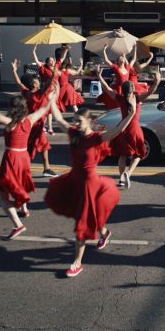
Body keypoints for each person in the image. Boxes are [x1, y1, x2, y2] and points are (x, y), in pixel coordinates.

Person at [43, 106, 135, 278]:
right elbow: (59, 119)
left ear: (89, 121)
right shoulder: (74, 134)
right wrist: (52, 100)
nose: (76, 124)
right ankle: (104, 233)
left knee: (83, 223)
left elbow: (118, 130)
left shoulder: (96, 138)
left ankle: (77, 263)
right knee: (90, 216)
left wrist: (131, 114)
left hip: (89, 185)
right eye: (75, 121)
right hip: (74, 182)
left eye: (79, 121)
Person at [0, 88, 57, 240]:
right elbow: (44, 109)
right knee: (20, 183)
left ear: (12, 108)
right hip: (24, 157)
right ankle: (24, 210)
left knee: (1, 194)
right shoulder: (30, 120)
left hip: (12, 157)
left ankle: (18, 225)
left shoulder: (10, 123)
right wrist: (52, 98)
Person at [96, 67, 161, 188]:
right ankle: (128, 173)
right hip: (134, 129)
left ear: (123, 90)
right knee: (139, 154)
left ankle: (121, 179)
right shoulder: (136, 99)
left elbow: (107, 88)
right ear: (132, 90)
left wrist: (99, 76)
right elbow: (151, 91)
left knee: (123, 154)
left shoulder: (120, 99)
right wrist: (157, 81)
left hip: (122, 127)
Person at [11, 59, 59, 177]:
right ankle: (19, 169)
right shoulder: (39, 93)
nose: (38, 80)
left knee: (43, 146)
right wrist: (53, 73)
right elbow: (48, 83)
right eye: (36, 79)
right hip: (35, 126)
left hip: (31, 124)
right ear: (34, 84)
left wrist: (14, 71)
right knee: (29, 148)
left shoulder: (26, 92)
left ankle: (46, 169)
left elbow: (18, 83)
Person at [31, 44, 59, 133]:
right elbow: (37, 61)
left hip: (53, 90)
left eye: (53, 60)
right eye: (50, 61)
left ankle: (50, 128)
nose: (52, 62)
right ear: (47, 63)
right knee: (44, 109)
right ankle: (42, 126)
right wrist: (33, 51)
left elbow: (60, 60)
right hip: (46, 90)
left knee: (50, 110)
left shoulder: (55, 69)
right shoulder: (43, 68)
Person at [97, 45, 132, 110]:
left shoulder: (127, 68)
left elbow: (132, 60)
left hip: (126, 89)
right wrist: (104, 50)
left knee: (127, 105)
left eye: (123, 57)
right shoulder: (116, 68)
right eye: (120, 58)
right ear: (118, 61)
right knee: (118, 105)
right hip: (118, 89)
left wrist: (124, 55)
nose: (122, 58)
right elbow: (106, 60)